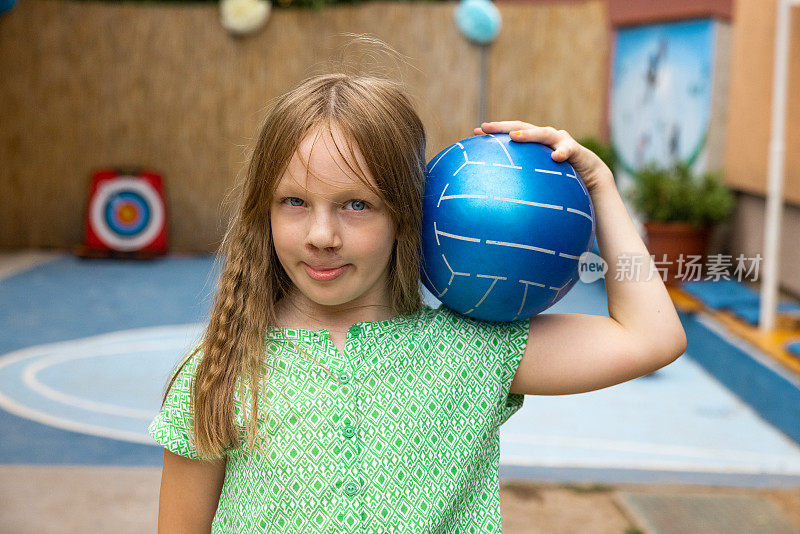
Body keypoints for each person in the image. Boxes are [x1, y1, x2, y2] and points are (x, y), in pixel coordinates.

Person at [150, 72, 687, 533]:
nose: (321, 234)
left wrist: (600, 186)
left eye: (356, 204)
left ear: (408, 214)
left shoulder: (471, 350)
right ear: (262, 210)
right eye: (294, 201)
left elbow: (652, 337)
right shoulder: (221, 371)